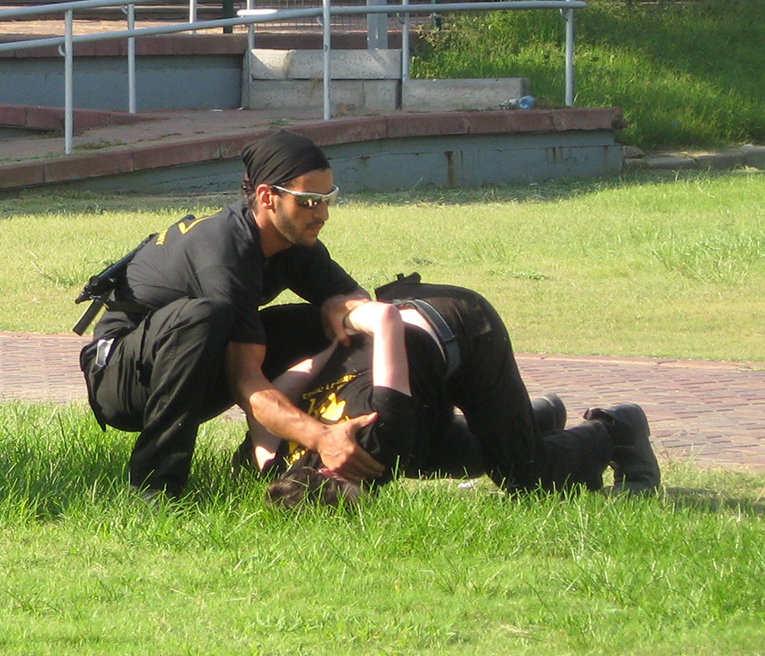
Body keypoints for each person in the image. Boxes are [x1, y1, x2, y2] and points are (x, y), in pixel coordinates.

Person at [80, 130, 380, 498]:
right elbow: (244, 380)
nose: (323, 214)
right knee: (204, 317)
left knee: (323, 326)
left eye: (328, 199)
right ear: (268, 197)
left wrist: (340, 303)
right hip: (121, 380)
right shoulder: (222, 250)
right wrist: (321, 437)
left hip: (190, 365)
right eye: (309, 201)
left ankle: (273, 464)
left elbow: (354, 296)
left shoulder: (295, 239)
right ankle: (154, 489)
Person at [250, 276, 661, 506]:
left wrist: (348, 320)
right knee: (423, 456)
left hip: (459, 326)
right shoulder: (273, 458)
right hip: (417, 360)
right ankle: (533, 422)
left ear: (332, 476)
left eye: (358, 506)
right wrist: (333, 352)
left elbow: (386, 320)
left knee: (528, 477)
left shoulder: (376, 440)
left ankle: (617, 428)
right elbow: (289, 383)